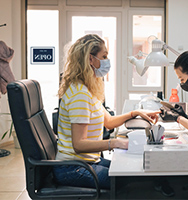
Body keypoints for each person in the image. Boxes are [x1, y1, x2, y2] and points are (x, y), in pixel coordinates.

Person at [53, 34, 160, 189]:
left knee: (133, 170)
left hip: (85, 162)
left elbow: (109, 122)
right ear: (90, 59)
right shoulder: (79, 95)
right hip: (72, 168)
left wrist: (134, 113)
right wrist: (114, 143)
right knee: (133, 183)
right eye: (104, 56)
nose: (107, 61)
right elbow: (79, 144)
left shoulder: (86, 90)